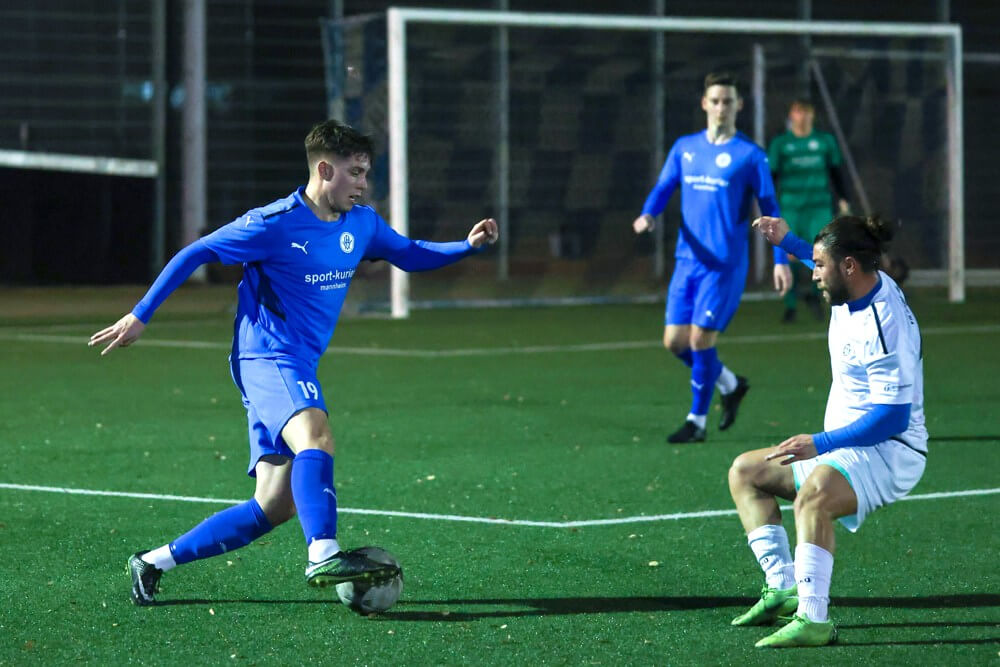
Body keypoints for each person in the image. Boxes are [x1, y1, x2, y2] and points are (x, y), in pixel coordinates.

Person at [89, 119, 499, 605]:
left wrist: (465, 246)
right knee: (316, 433)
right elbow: (194, 253)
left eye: (366, 172)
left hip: (295, 361)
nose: (364, 183)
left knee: (273, 505)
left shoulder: (361, 224)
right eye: (356, 172)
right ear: (325, 169)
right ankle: (322, 553)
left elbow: (410, 254)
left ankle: (152, 562)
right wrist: (141, 315)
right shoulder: (273, 222)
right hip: (267, 357)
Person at [728, 213, 926, 648]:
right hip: (847, 444)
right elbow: (828, 260)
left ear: (850, 266)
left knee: (814, 494)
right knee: (746, 472)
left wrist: (819, 442)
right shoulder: (860, 283)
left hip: (890, 450)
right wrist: (789, 242)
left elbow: (893, 418)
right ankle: (782, 587)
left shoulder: (881, 324)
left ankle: (814, 619)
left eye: (819, 266)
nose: (813, 273)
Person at [633, 72, 792, 444]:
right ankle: (731, 384)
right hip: (687, 261)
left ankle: (697, 421)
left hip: (724, 266)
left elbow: (770, 208)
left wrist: (780, 260)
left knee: (701, 339)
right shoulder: (685, 148)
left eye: (728, 101)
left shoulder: (750, 155)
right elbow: (663, 187)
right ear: (704, 104)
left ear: (739, 106)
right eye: (715, 100)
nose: (721, 107)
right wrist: (648, 214)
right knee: (675, 342)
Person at [767, 99, 851, 323]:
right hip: (791, 208)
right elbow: (771, 177)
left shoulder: (824, 142)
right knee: (791, 255)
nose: (802, 116)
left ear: (812, 115)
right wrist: (767, 205)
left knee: (820, 254)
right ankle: (790, 304)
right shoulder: (781, 144)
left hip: (819, 207)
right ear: (791, 116)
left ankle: (814, 296)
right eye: (797, 112)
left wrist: (843, 199)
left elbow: (835, 172)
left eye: (806, 112)